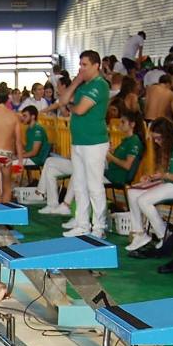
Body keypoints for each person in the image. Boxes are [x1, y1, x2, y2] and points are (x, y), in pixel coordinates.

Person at [55, 50, 111, 238]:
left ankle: (99, 227)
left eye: (85, 65)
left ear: (96, 65)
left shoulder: (100, 85)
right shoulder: (83, 85)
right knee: (79, 184)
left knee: (94, 186)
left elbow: (79, 109)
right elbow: (62, 100)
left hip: (94, 142)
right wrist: (77, 81)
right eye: (80, 65)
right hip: (79, 141)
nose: (81, 68)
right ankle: (82, 223)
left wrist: (70, 106)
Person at [125, 117, 173, 253]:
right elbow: (169, 174)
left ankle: (164, 235)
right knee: (132, 192)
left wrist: (163, 176)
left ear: (168, 135)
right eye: (155, 139)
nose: (157, 142)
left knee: (144, 200)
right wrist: (153, 179)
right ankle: (139, 234)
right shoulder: (172, 146)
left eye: (159, 138)